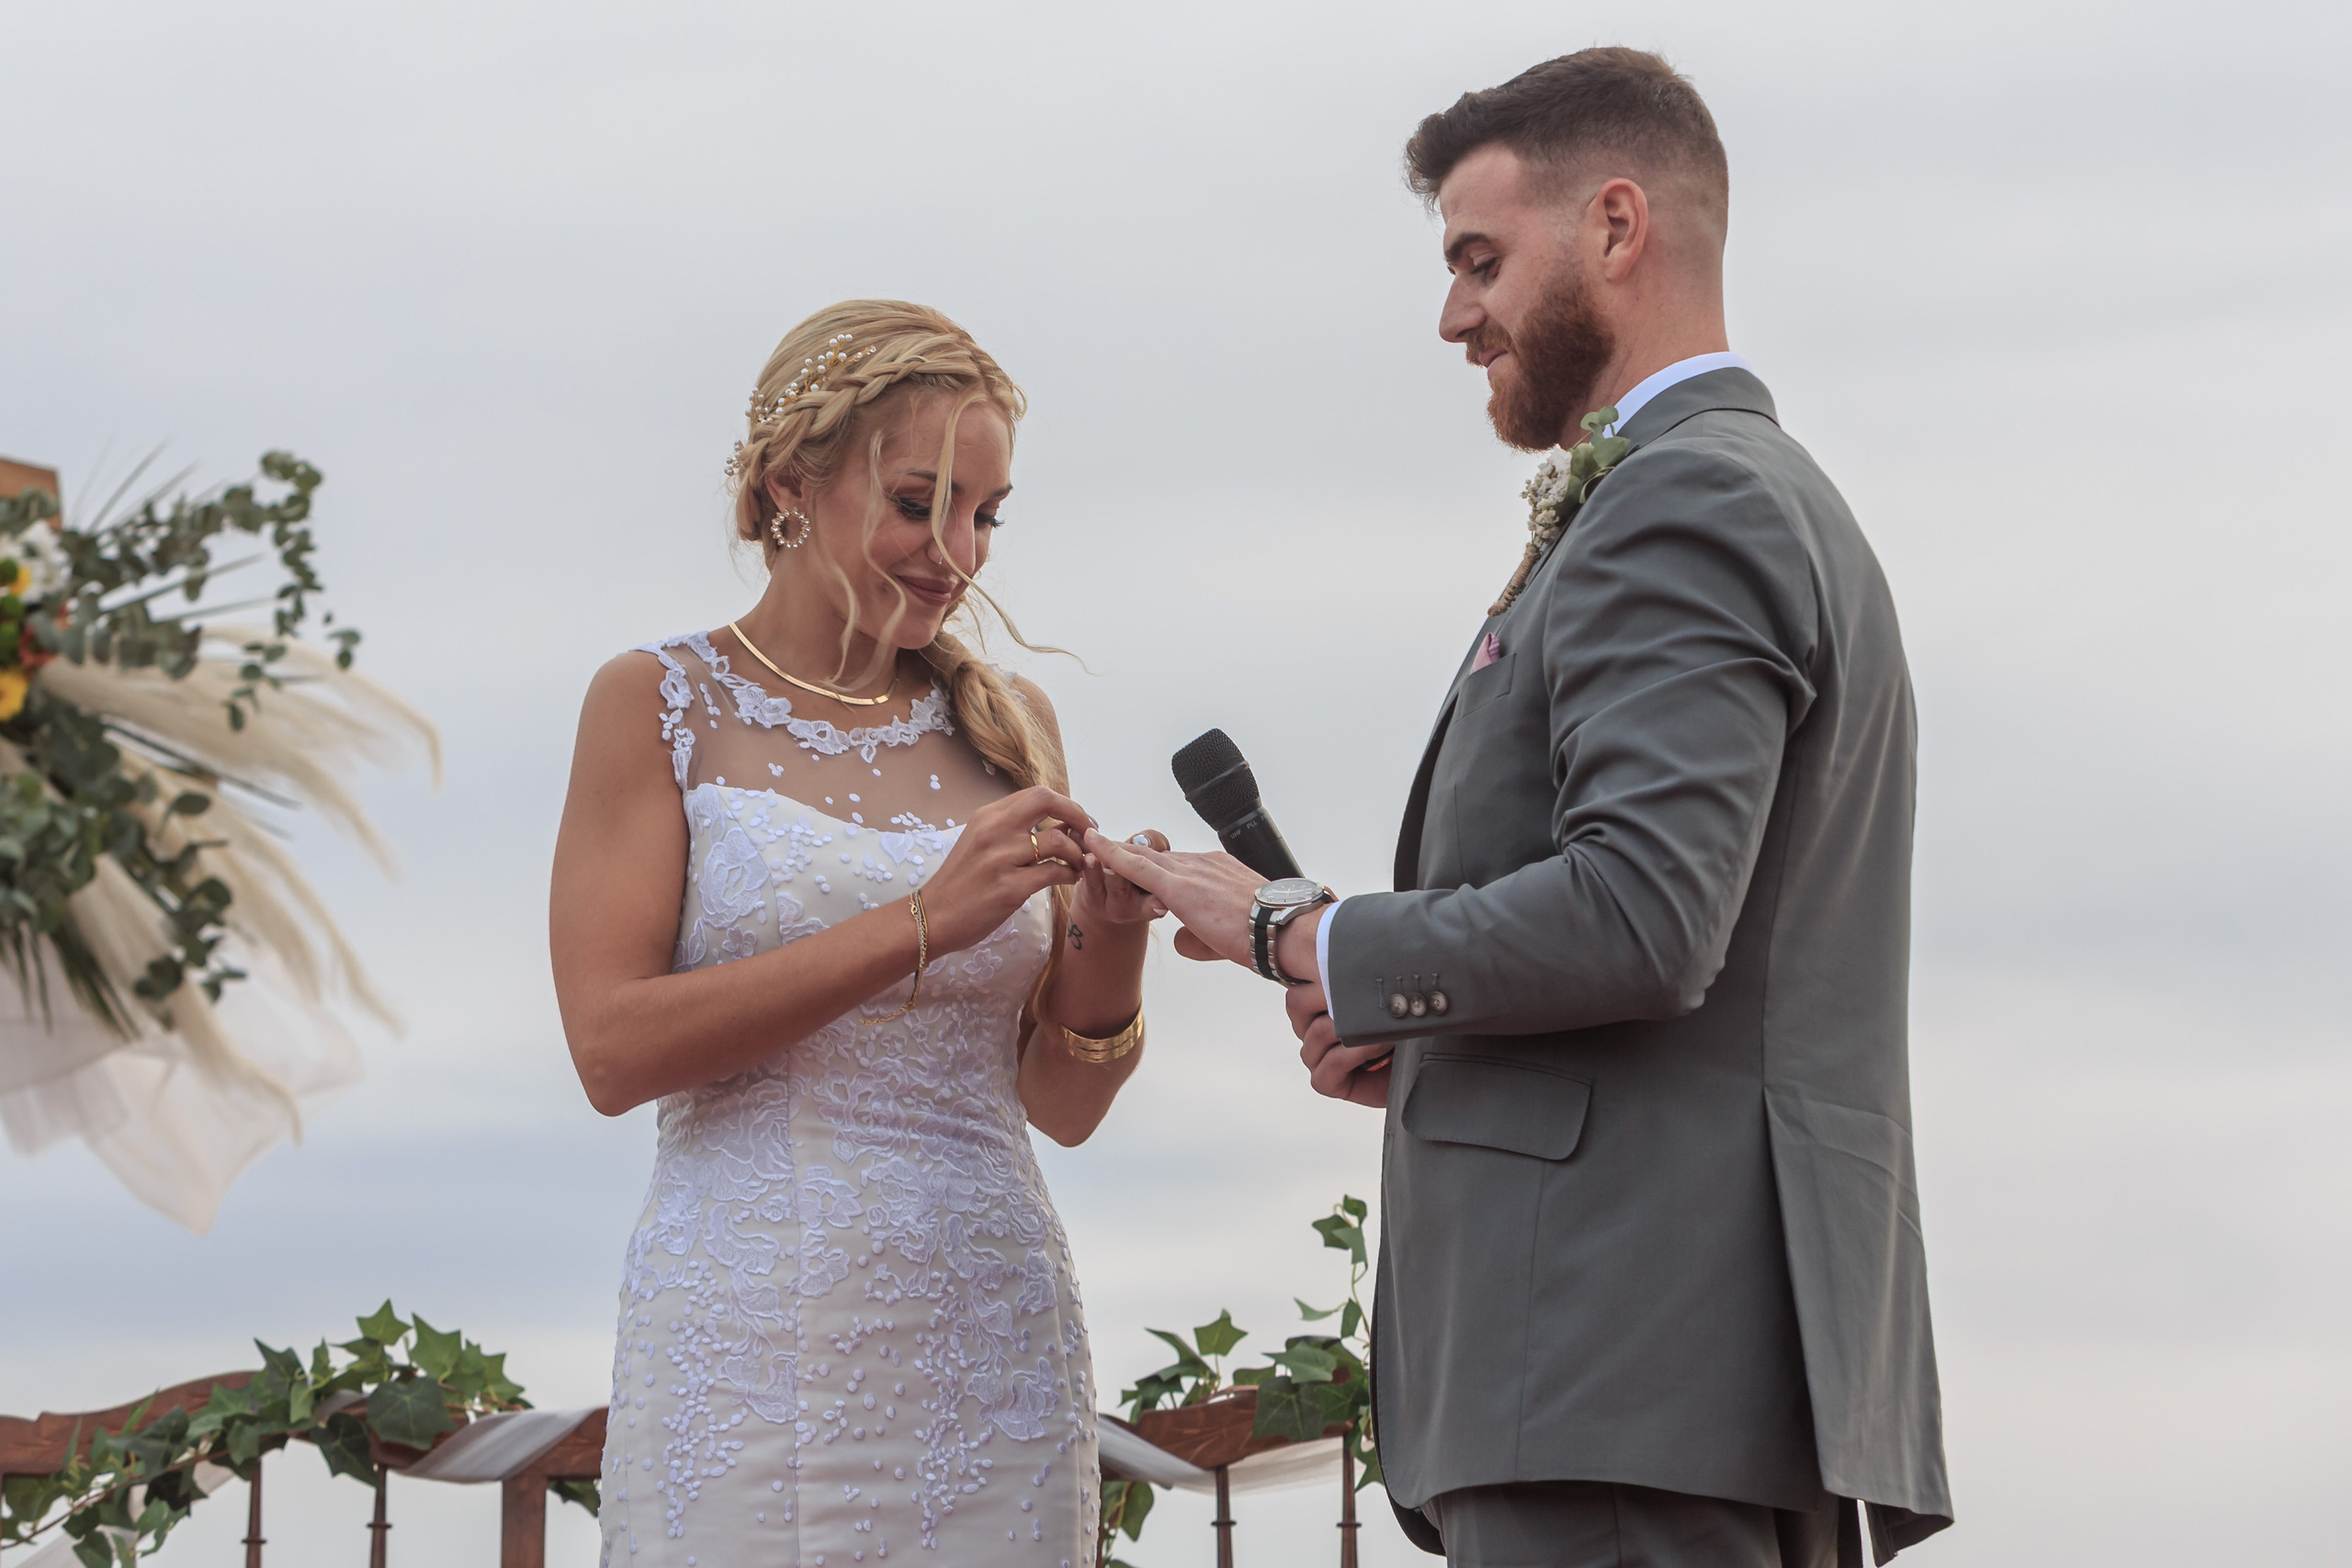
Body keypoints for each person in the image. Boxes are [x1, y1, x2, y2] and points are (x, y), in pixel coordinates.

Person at [1089, 49, 1951, 1568]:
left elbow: (1642, 918)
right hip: (1670, 1389)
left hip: (1616, 1373)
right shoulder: (1745, 494)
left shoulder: (1689, 502)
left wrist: (1301, 931)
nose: (1452, 314)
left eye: (1480, 260)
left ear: (1618, 227)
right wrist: (1424, 1029)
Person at [550, 299, 1163, 1566]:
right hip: (750, 1343)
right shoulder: (657, 703)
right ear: (791, 488)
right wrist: (925, 923)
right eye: (918, 504)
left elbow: (1062, 1103)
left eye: (986, 515)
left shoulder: (1013, 723)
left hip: (993, 1345)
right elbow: (611, 1051)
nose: (959, 554)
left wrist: (1110, 935)